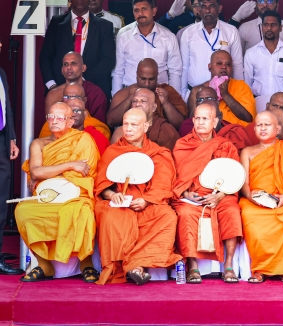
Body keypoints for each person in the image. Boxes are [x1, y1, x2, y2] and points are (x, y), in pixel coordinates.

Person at [95, 108, 181, 285]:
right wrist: (112, 195)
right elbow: (102, 184)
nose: (128, 129)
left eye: (134, 125)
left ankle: (136, 266)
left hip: (147, 203)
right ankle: (132, 267)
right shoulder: (113, 152)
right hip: (120, 204)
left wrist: (146, 200)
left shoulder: (158, 152)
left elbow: (163, 183)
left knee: (167, 216)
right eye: (125, 124)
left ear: (146, 126)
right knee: (110, 216)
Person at [16, 102, 100, 282]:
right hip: (47, 196)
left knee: (84, 210)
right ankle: (44, 265)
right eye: (51, 117)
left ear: (70, 122)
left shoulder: (83, 139)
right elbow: (36, 172)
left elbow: (84, 172)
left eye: (60, 118)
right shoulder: (39, 143)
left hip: (76, 194)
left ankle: (86, 264)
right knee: (23, 210)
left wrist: (49, 172)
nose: (54, 121)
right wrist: (70, 165)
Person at [172, 104, 243, 284]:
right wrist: (187, 194)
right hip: (192, 197)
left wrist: (220, 195)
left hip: (220, 196)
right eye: (197, 118)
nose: (201, 122)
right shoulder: (182, 145)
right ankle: (193, 266)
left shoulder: (226, 146)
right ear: (193, 120)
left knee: (232, 211)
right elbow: (177, 177)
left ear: (215, 121)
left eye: (205, 118)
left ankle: (228, 266)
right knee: (185, 213)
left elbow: (234, 175)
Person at [239, 111, 283, 284]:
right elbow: (244, 183)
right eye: (259, 125)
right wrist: (251, 197)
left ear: (277, 129)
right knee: (250, 216)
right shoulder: (247, 152)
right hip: (255, 199)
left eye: (267, 125)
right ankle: (260, 269)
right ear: (254, 129)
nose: (263, 128)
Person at [39, 0, 116, 98]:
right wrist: (52, 85)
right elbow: (45, 56)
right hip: (59, 88)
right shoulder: (56, 23)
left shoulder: (104, 26)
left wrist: (82, 82)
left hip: (93, 88)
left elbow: (108, 60)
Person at [112, 0, 182, 96]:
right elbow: (118, 71)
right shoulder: (124, 36)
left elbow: (175, 71)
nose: (140, 13)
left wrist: (174, 97)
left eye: (144, 9)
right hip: (131, 93)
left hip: (159, 93)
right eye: (136, 10)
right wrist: (116, 97)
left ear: (154, 11)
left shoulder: (168, 36)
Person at [179, 0, 244, 97]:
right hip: (195, 93)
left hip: (225, 94)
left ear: (219, 8)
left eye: (212, 6)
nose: (207, 10)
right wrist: (182, 95)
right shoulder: (188, 33)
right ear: (199, 9)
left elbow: (237, 65)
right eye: (203, 6)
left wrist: (239, 93)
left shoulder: (231, 31)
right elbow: (185, 67)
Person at [107, 58, 188, 130]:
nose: (147, 83)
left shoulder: (167, 92)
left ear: (157, 76)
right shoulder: (125, 93)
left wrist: (166, 103)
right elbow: (110, 122)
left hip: (161, 139)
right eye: (143, 79)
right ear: (137, 75)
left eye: (151, 79)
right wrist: (128, 99)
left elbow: (181, 125)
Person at [244, 10, 283, 106]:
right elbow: (247, 85)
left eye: (273, 25)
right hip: (257, 103)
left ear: (280, 28)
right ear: (262, 27)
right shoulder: (251, 53)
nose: (269, 28)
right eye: (266, 25)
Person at [187, 50, 255, 127]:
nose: (224, 67)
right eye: (219, 64)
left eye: (228, 64)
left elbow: (247, 118)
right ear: (210, 67)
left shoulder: (241, 86)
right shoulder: (198, 91)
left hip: (236, 132)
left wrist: (225, 94)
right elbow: (192, 122)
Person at [0, 57, 22, 275]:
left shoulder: (1, 73)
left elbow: (7, 109)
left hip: (2, 141)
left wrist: (12, 138)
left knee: (0, 202)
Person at [178, 86, 252, 151]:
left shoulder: (232, 131)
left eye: (209, 98)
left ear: (219, 117)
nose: (204, 101)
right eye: (200, 99)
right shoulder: (187, 126)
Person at [45, 52, 108, 123]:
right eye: (65, 64)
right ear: (62, 70)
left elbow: (98, 125)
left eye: (73, 63)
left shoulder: (95, 93)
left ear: (83, 68)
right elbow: (50, 124)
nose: (69, 67)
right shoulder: (53, 95)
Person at [110, 88, 180, 151]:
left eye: (143, 101)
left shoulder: (166, 130)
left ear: (153, 107)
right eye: (134, 101)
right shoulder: (121, 132)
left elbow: (170, 158)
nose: (138, 104)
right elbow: (113, 157)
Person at [39, 83, 111, 140]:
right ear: (63, 100)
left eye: (76, 97)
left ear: (84, 100)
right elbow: (45, 148)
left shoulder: (98, 128)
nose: (71, 100)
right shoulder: (51, 124)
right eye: (67, 97)